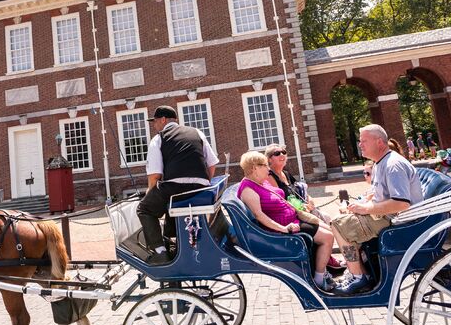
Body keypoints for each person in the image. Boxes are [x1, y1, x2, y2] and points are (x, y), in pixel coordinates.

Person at [330, 124, 423, 295]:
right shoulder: (381, 162)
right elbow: (379, 193)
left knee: (338, 224)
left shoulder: (393, 164)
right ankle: (362, 272)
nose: (360, 144)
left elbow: (402, 203)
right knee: (343, 219)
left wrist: (366, 209)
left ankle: (358, 277)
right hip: (387, 217)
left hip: (398, 222)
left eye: (364, 141)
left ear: (379, 142)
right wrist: (359, 205)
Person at [238, 150, 336, 292]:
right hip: (285, 226)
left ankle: (322, 270)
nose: (268, 169)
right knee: (327, 237)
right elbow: (259, 215)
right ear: (254, 168)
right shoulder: (248, 189)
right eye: (265, 165)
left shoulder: (260, 182)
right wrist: (283, 229)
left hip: (293, 219)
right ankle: (319, 280)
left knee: (328, 229)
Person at [137, 105, 218, 264]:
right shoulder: (197, 133)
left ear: (163, 120)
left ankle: (160, 252)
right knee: (170, 202)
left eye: (155, 121)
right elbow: (212, 164)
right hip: (201, 188)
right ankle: (174, 241)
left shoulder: (159, 139)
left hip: (174, 188)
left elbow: (155, 175)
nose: (154, 125)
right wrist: (202, 184)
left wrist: (149, 193)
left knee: (145, 209)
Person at [264, 143, 342, 272]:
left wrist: (310, 200)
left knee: (328, 219)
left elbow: (300, 190)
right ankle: (326, 260)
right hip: (292, 214)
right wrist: (301, 208)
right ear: (269, 159)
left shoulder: (286, 173)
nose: (282, 155)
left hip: (302, 210)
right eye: (277, 153)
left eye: (284, 152)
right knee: (326, 225)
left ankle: (326, 256)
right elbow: (280, 200)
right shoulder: (270, 177)